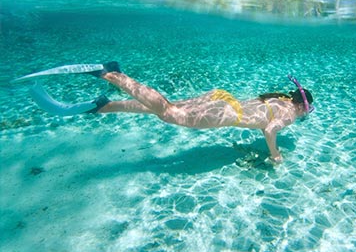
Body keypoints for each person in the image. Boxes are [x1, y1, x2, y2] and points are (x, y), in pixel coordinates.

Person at [16, 62, 314, 164]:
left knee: (162, 109)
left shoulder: (275, 98)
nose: (303, 115)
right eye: (306, 111)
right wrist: (275, 155)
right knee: (168, 112)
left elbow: (261, 116)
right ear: (301, 105)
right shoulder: (288, 111)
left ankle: (106, 106)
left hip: (221, 97)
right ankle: (112, 75)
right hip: (225, 113)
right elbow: (271, 129)